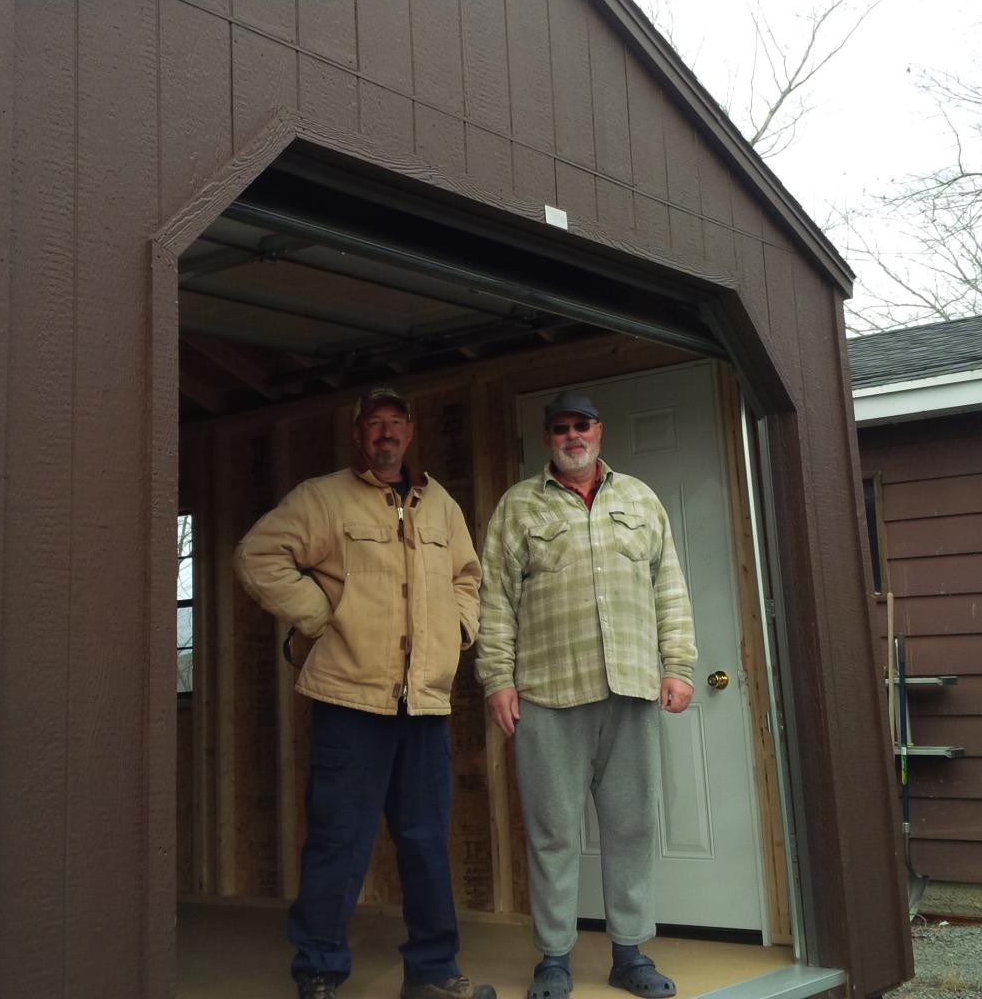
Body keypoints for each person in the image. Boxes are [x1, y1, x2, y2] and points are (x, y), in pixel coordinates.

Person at [236, 388, 497, 999]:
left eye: (396, 423)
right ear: (358, 435)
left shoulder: (442, 507)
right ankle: (320, 972)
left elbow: (467, 577)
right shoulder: (323, 498)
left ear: (410, 433)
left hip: (425, 706)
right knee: (338, 841)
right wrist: (323, 618)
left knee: (427, 843)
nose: (386, 434)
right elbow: (257, 554)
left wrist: (460, 629)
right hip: (350, 701)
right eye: (374, 424)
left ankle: (432, 974)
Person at [476, 390, 697, 999]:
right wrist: (497, 679)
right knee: (551, 833)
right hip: (546, 693)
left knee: (631, 827)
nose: (571, 436)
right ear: (548, 437)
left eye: (581, 426)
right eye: (559, 428)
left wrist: (676, 666)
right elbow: (493, 599)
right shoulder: (518, 506)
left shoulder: (640, 498)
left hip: (630, 689)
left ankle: (630, 954)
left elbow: (669, 588)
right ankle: (553, 957)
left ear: (599, 432)